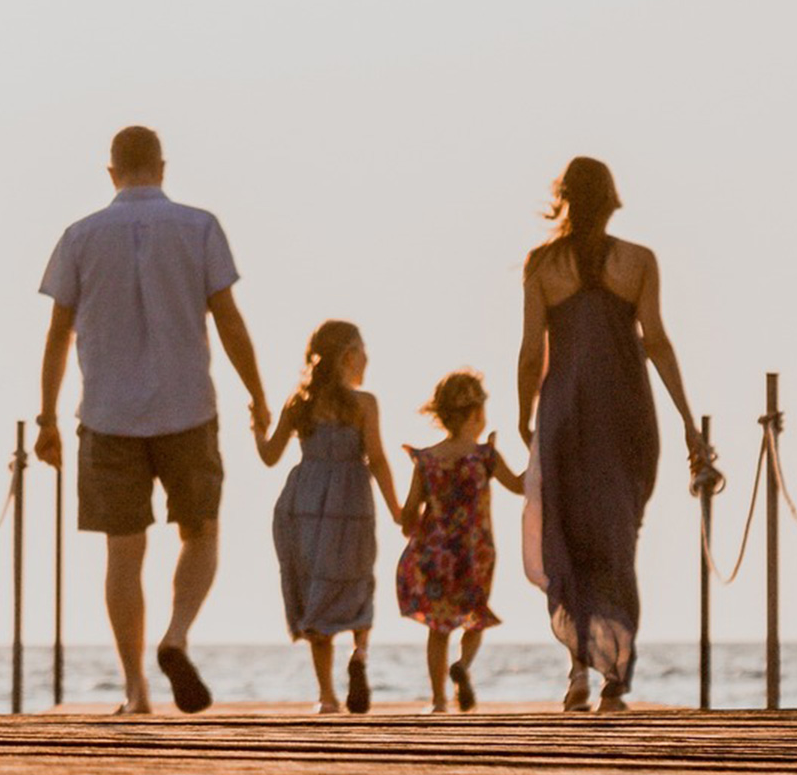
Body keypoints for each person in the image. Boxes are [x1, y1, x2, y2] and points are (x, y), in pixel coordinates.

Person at [34, 126, 269, 714]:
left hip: (108, 415)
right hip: (188, 407)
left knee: (123, 553)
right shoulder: (200, 227)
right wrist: (259, 395)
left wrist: (46, 417)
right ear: (161, 167)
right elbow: (229, 319)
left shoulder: (79, 236)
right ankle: (177, 634)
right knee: (202, 531)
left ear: (110, 172)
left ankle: (136, 691)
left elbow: (58, 333)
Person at [516, 157, 710, 713]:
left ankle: (578, 668)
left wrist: (527, 416)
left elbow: (532, 352)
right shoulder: (639, 261)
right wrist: (686, 419)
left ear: (565, 199)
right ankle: (615, 681)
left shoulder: (541, 264)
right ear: (612, 200)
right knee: (619, 540)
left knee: (569, 539)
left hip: (565, 414)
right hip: (626, 411)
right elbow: (658, 342)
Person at [253, 320, 402, 714]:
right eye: (363, 349)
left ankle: (327, 696)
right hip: (351, 502)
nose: (367, 357)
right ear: (347, 356)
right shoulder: (364, 403)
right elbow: (379, 459)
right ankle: (359, 654)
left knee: (314, 585)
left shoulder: (298, 402)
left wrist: (257, 427)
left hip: (305, 502)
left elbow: (269, 456)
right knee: (357, 580)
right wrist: (398, 510)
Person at [396, 370, 523, 713]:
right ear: (477, 413)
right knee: (474, 616)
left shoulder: (426, 460)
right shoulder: (485, 456)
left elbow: (409, 512)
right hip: (475, 550)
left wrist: (405, 521)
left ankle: (438, 701)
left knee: (438, 628)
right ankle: (463, 666)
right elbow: (520, 486)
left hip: (435, 552)